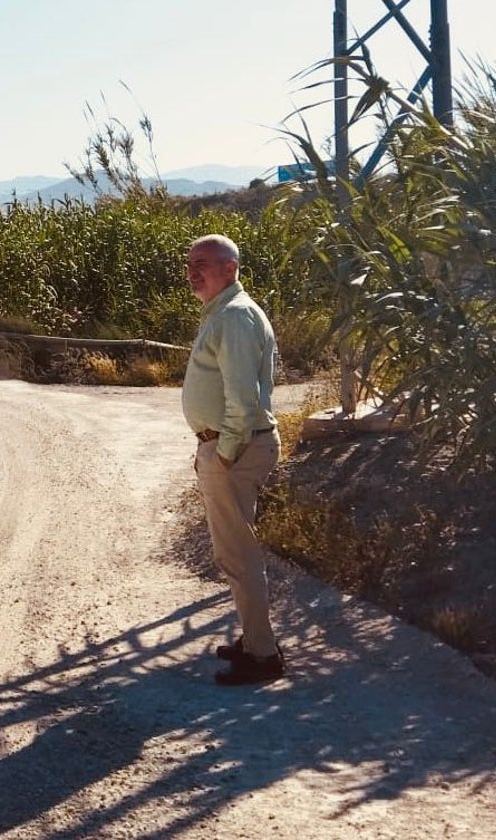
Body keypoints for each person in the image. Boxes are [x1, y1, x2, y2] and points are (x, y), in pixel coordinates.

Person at [181, 234, 284, 686]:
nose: (193, 271)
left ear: (231, 268)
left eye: (203, 262)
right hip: (227, 446)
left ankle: (263, 656)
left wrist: (220, 455)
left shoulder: (236, 317)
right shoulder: (224, 313)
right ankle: (254, 638)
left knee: (238, 555)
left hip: (235, 449)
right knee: (236, 551)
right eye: (189, 264)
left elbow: (242, 400)